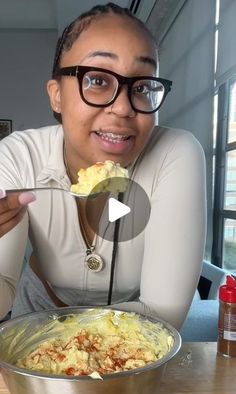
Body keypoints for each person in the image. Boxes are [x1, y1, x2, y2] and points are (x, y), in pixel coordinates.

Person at [0, 2, 206, 329]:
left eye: (142, 87)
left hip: (141, 319)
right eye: (97, 80)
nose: (124, 107)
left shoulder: (175, 153)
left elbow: (163, 312)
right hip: (41, 305)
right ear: (56, 95)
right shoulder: (18, 155)